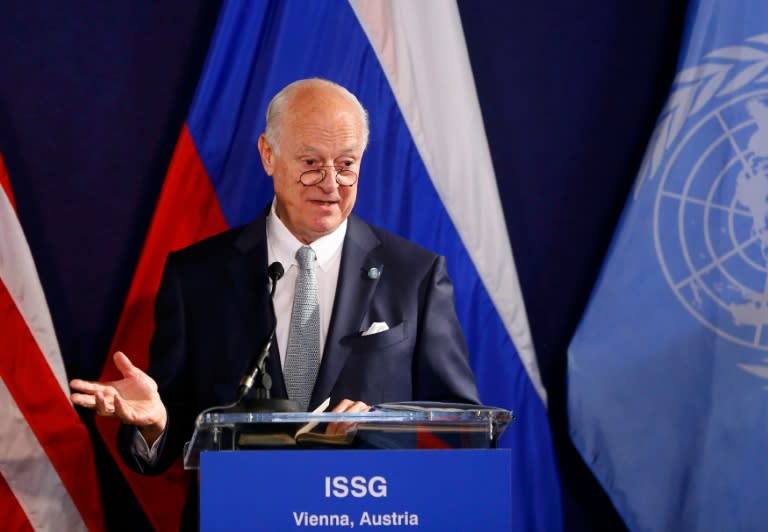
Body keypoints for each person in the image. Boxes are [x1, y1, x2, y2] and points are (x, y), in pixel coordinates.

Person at [70, 78, 479, 524]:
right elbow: (170, 434)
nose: (331, 183)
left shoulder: (414, 275)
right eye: (310, 163)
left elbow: (464, 420)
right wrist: (154, 423)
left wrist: (384, 421)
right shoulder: (198, 277)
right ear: (269, 154)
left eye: (347, 164)